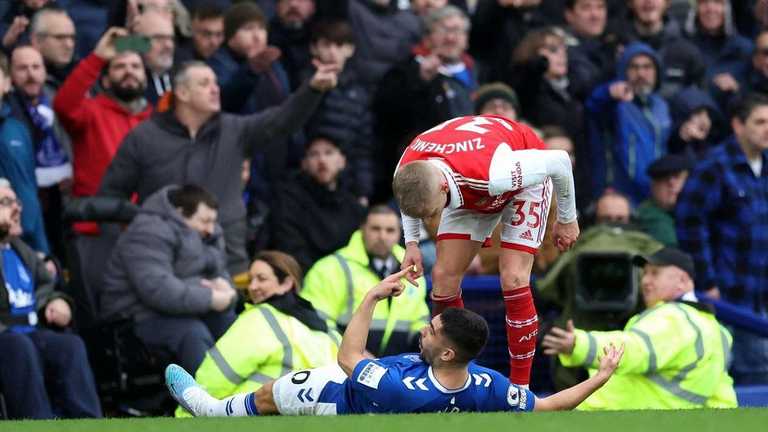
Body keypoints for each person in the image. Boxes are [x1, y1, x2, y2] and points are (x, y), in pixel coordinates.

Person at [166, 267, 624, 417]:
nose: (424, 328)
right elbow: (548, 405)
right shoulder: (484, 384)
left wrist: (370, 297)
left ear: (446, 352)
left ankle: (209, 410)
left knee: (272, 395)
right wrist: (599, 378)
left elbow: (347, 358)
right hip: (374, 377)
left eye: (432, 330)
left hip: (338, 397)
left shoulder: (398, 389)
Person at [99, 56, 339, 275]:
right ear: (181, 92)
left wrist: (313, 89)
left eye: (215, 82)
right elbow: (111, 196)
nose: (215, 89)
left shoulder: (235, 130)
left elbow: (282, 121)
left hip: (228, 260)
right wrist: (133, 237)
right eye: (204, 84)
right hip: (163, 263)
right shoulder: (145, 137)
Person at [392, 114, 580, 386]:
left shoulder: (497, 172)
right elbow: (411, 200)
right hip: (466, 182)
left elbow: (560, 161)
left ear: (444, 188)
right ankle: (456, 380)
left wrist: (566, 218)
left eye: (435, 212)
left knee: (513, 278)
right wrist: (411, 243)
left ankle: (520, 389)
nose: (433, 220)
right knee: (443, 278)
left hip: (519, 178)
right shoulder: (407, 169)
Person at [542, 247, 737, 409]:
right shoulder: (718, 332)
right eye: (644, 274)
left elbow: (634, 348)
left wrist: (579, 344)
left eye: (655, 273)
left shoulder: (673, 317)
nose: (645, 281)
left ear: (682, 281)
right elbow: (721, 395)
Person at [676, 92, 768, 384]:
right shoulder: (714, 167)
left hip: (761, 291)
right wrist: (707, 282)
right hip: (728, 294)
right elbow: (690, 225)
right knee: (746, 379)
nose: (767, 128)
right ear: (738, 125)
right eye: (760, 121)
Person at [178, 250, 340, 416]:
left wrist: (186, 415)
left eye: (261, 279)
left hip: (249, 418)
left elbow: (216, 375)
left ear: (286, 283)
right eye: (250, 280)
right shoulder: (325, 326)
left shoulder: (260, 317)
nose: (252, 287)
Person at [100, 184, 237, 373]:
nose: (211, 229)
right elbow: (158, 290)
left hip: (184, 309)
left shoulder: (206, 235)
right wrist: (210, 297)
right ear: (180, 214)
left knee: (230, 325)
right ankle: (210, 398)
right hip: (136, 316)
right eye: (205, 221)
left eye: (213, 221)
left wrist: (227, 292)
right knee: (192, 334)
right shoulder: (146, 233)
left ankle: (249, 393)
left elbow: (219, 273)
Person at [0, 178, 102, 419]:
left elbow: (45, 286)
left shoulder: (20, 250)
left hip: (30, 332)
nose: (17, 209)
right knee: (19, 346)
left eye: (17, 202)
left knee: (70, 345)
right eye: (5, 203)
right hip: (8, 339)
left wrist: (56, 301)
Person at [302, 205, 429, 356]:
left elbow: (419, 321)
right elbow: (316, 322)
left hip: (394, 368)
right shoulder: (329, 268)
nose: (382, 236)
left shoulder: (412, 269)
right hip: (341, 364)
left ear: (399, 234)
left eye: (390, 230)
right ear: (362, 229)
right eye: (375, 229)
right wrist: (354, 353)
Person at [586, 41, 672, 205]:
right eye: (634, 67)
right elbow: (594, 106)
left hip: (654, 196)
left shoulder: (662, 106)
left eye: (647, 67)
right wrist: (609, 92)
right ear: (624, 71)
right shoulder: (616, 103)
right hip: (620, 196)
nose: (640, 73)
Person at [269, 135, 366, 271]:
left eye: (329, 152)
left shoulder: (353, 205)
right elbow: (291, 248)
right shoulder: (288, 200)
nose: (322, 160)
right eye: (314, 154)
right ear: (304, 163)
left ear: (342, 161)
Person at [0, 51, 48, 253]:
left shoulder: (18, 129)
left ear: (7, 83)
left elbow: (30, 191)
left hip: (27, 244)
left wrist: (43, 251)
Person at [636, 155, 692, 247]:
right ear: (653, 186)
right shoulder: (651, 216)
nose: (671, 183)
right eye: (664, 179)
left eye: (677, 177)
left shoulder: (694, 209)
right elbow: (672, 251)